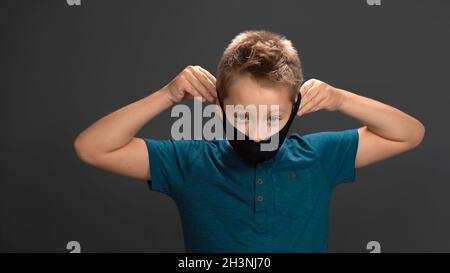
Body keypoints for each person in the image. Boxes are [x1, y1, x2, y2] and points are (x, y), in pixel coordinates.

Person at [74, 30, 425, 252]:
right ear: (219, 104)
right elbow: (91, 147)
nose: (257, 132)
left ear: (295, 108)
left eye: (273, 117)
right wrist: (167, 95)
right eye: (242, 115)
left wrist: (341, 100)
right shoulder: (189, 162)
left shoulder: (318, 157)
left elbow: (409, 133)